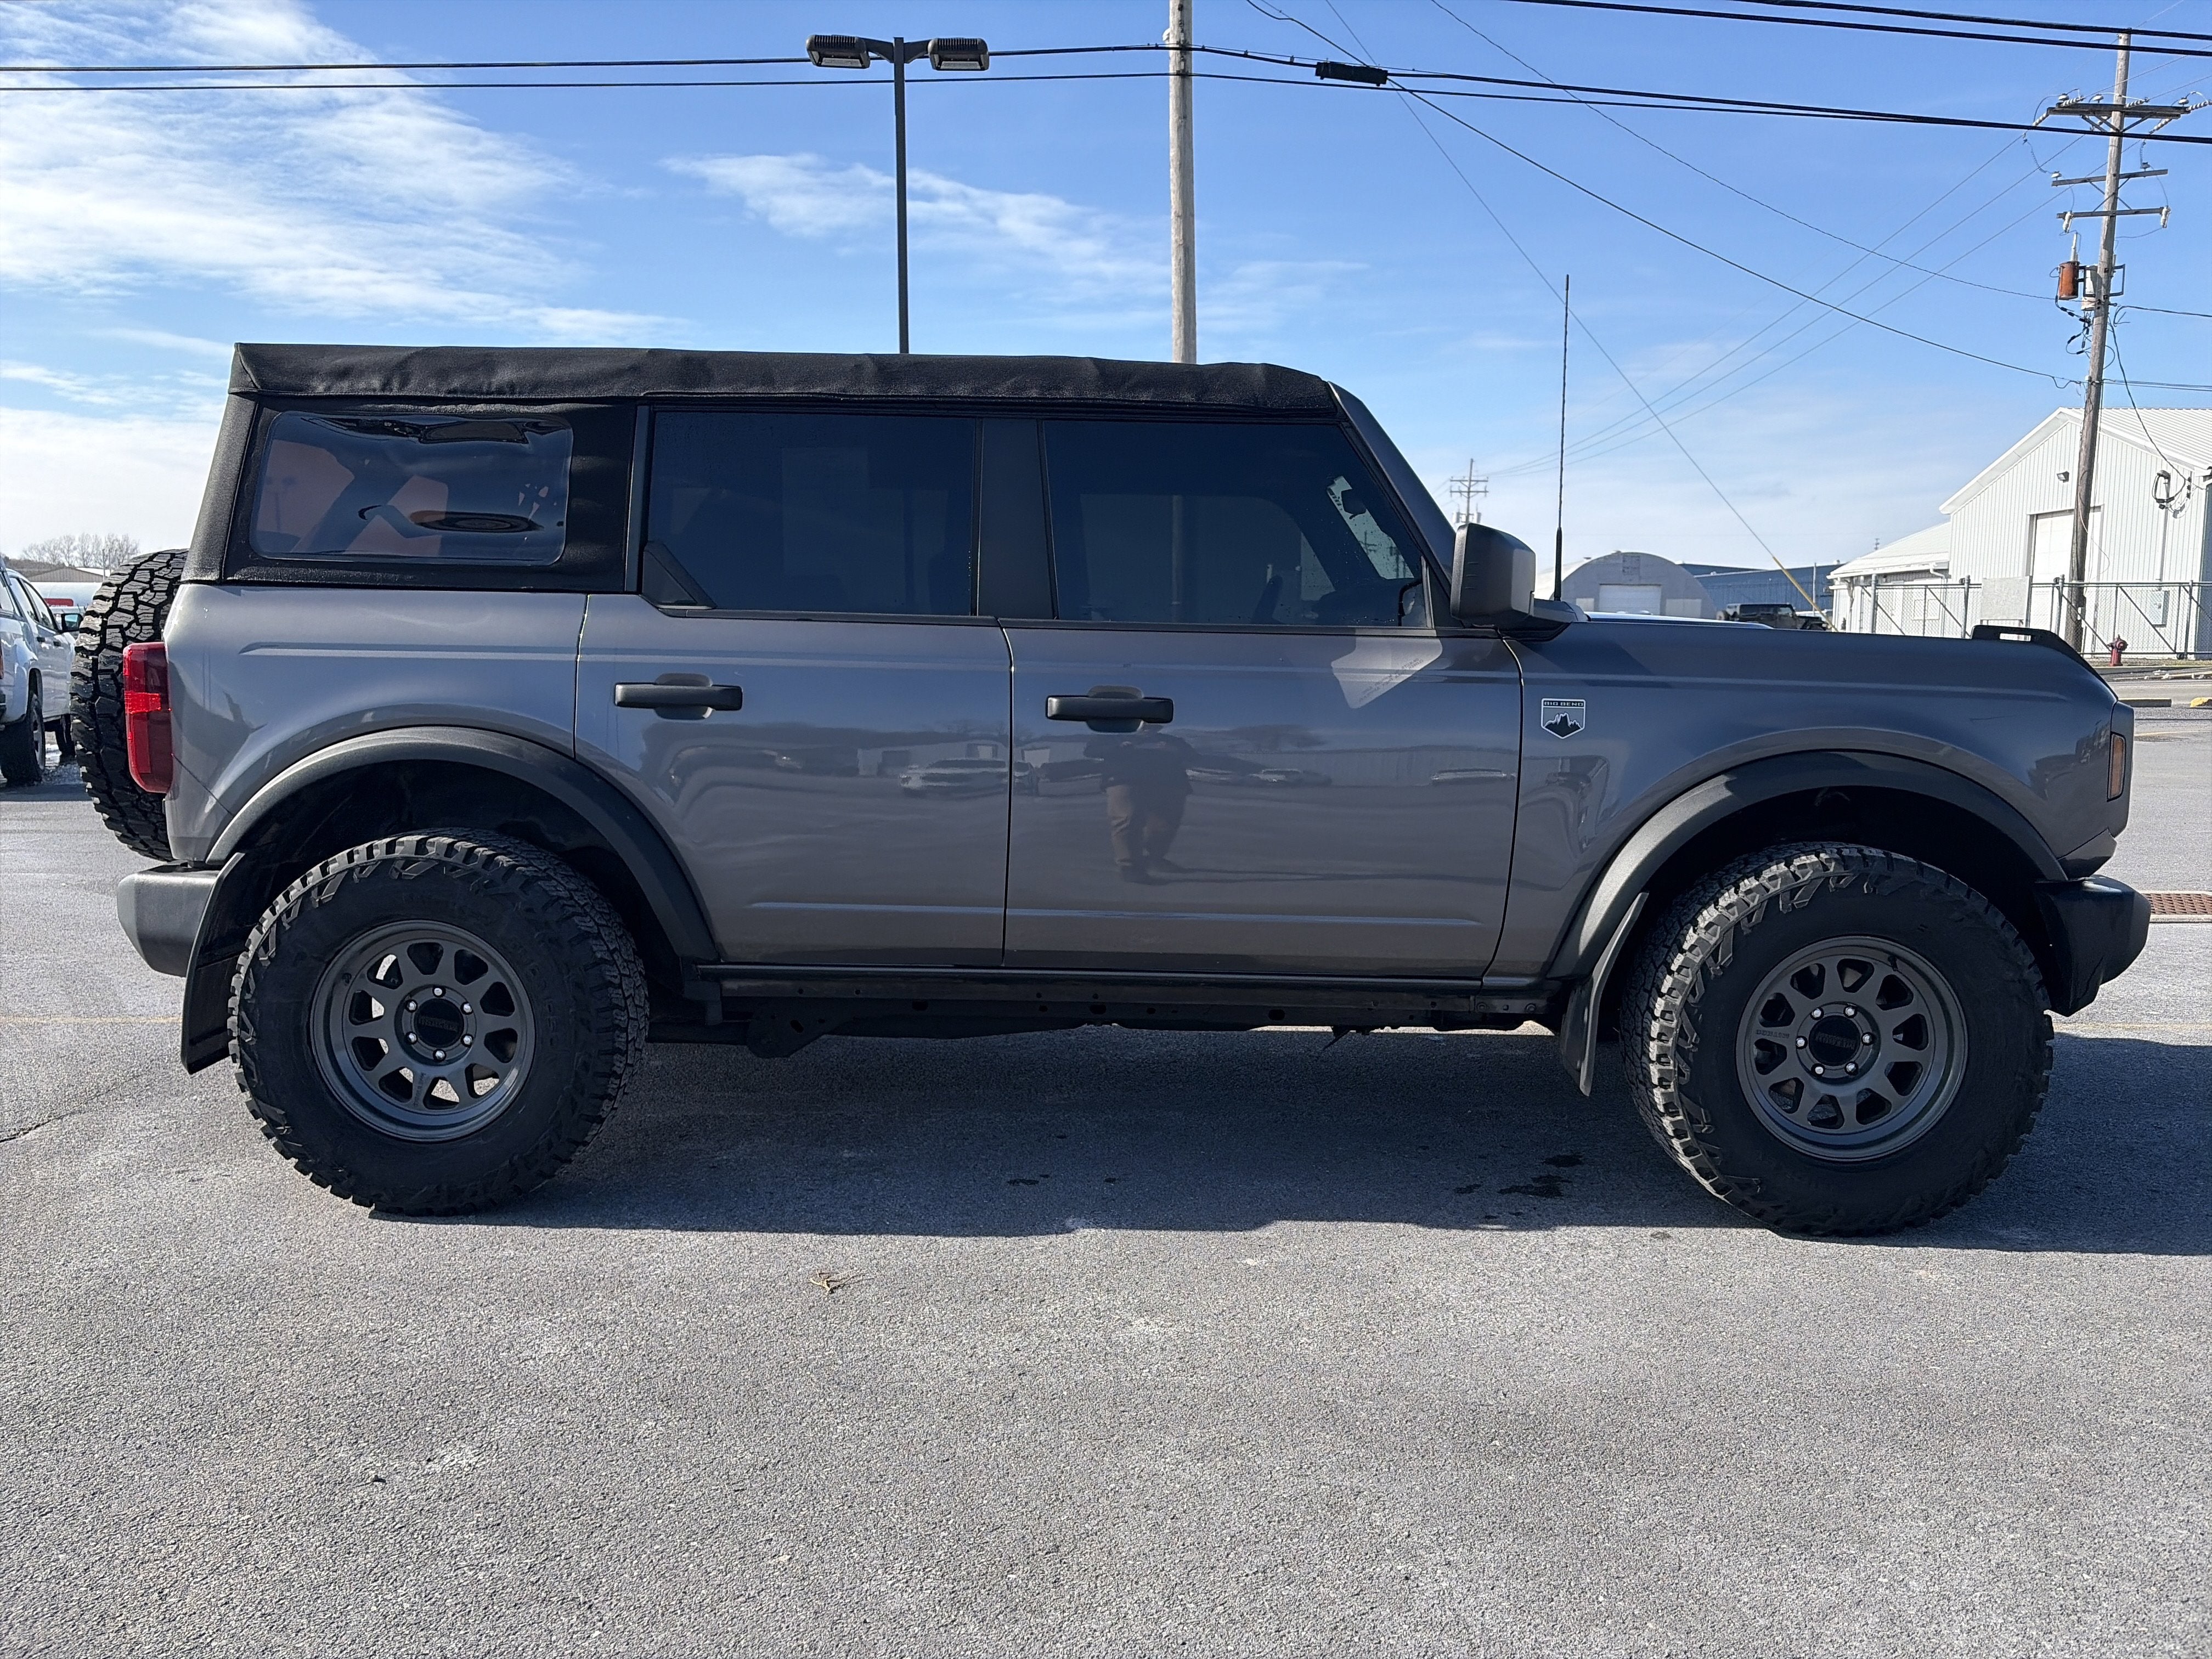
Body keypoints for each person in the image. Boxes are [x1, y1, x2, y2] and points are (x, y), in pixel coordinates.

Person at [1087, 728, 1197, 882]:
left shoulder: (1172, 741)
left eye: (1152, 723)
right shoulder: (1113, 738)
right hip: (1124, 778)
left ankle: (1155, 858)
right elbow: (1091, 751)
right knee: (1127, 818)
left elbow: (1194, 756)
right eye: (1141, 723)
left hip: (1169, 781)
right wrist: (1119, 748)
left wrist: (1173, 750)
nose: (1147, 726)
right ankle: (1129, 865)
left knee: (1166, 824)